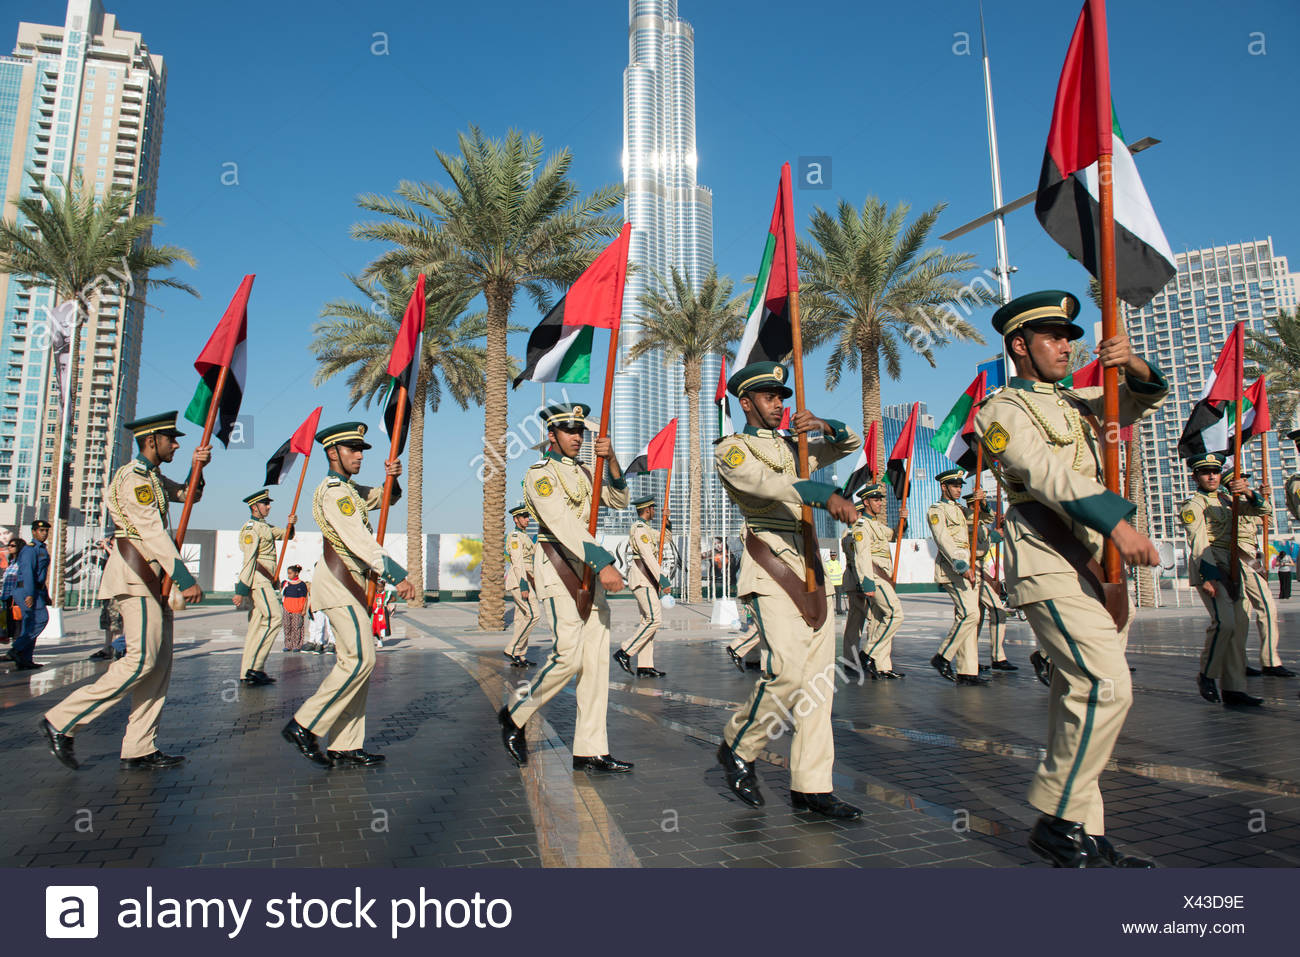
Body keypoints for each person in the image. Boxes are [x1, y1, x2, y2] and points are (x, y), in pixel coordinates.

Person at [974, 289, 1165, 868]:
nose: (1066, 346)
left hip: (1098, 565)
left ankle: (1084, 833)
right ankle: (1056, 816)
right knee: (1106, 685)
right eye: (1053, 337)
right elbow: (1044, 473)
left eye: (1069, 338)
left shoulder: (1083, 401)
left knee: (1076, 700)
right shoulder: (1001, 411)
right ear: (1019, 345)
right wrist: (1116, 521)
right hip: (1049, 558)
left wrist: (1133, 365)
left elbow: (1144, 397)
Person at [713, 361, 863, 818]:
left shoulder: (796, 445)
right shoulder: (733, 450)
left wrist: (824, 425)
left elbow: (852, 442)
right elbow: (768, 483)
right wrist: (822, 495)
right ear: (746, 403)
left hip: (811, 563)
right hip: (771, 562)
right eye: (769, 397)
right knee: (787, 673)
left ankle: (812, 788)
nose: (779, 404)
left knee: (818, 685)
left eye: (782, 397)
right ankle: (738, 744)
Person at [41, 411, 209, 770]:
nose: (176, 445)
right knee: (141, 661)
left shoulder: (153, 477)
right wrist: (184, 577)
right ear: (151, 441)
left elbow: (188, 496)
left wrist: (199, 468)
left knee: (159, 666)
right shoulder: (134, 478)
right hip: (137, 577)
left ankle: (140, 746)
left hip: (153, 579)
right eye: (171, 439)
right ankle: (61, 720)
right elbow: (151, 531)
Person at [498, 402, 633, 773]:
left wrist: (613, 461)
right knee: (569, 656)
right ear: (552, 435)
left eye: (581, 431)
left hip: (588, 569)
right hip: (559, 567)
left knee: (595, 665)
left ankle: (591, 749)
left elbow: (619, 500)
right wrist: (604, 562)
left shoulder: (587, 471)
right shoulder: (540, 474)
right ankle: (514, 714)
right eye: (569, 431)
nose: (577, 438)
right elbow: (561, 523)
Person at [281, 421, 417, 768]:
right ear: (332, 453)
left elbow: (387, 498)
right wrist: (397, 574)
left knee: (357, 664)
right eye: (353, 449)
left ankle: (345, 744)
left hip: (351, 585)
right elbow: (359, 539)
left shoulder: (350, 490)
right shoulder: (334, 493)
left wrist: (393, 478)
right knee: (360, 660)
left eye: (361, 450)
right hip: (339, 584)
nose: (359, 455)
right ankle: (304, 725)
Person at [1181, 454, 1265, 708]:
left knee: (1238, 629)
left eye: (1215, 472)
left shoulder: (1228, 500)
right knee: (1224, 623)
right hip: (1211, 566)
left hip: (1234, 567)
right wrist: (1209, 577)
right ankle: (1206, 674)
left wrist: (1247, 492)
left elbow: (1263, 510)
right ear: (1195, 477)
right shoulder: (1193, 506)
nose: (1211, 476)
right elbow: (1198, 543)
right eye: (1205, 472)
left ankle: (1234, 689)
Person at [1223, 468, 1294, 678]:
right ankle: (1269, 661)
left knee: (1243, 613)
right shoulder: (1227, 503)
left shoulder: (1245, 502)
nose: (1246, 483)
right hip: (1242, 556)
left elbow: (1266, 520)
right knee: (1265, 607)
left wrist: (1260, 497)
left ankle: (1241, 662)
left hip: (1251, 556)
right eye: (1243, 480)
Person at [928, 470, 987, 686]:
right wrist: (960, 564)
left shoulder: (960, 510)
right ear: (944, 487)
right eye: (954, 486)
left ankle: (967, 672)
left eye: (960, 486)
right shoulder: (937, 510)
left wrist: (982, 503)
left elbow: (984, 519)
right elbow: (942, 538)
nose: (959, 490)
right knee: (970, 614)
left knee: (970, 617)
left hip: (967, 566)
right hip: (954, 567)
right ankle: (942, 656)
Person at [233, 489, 294, 686]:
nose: (268, 507)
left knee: (256, 626)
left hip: (265, 579)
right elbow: (249, 560)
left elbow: (286, 535)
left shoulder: (265, 526)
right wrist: (241, 590)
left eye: (269, 503)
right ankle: (256, 667)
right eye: (265, 503)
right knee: (274, 618)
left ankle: (247, 672)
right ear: (254, 507)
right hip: (258, 580)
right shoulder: (251, 529)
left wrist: (291, 524)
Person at [851, 483, 906, 679]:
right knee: (895, 614)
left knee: (879, 620)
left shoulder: (877, 525)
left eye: (880, 500)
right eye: (876, 500)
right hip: (875, 577)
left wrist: (903, 521)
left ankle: (882, 666)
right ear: (866, 502)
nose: (880, 503)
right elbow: (862, 555)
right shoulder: (861, 527)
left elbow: (894, 535)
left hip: (885, 576)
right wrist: (867, 582)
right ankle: (868, 654)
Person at [615, 495, 672, 678]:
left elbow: (665, 539)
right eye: (653, 509)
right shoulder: (639, 530)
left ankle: (645, 666)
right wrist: (663, 579)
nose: (655, 511)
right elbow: (647, 556)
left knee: (647, 621)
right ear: (647, 510)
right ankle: (625, 651)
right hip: (642, 578)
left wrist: (667, 522)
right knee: (654, 619)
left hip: (646, 578)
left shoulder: (646, 528)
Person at [964, 490, 1017, 672]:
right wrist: (995, 534)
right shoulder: (967, 522)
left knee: (976, 618)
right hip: (973, 569)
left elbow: (988, 520)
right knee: (997, 610)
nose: (982, 510)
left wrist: (1001, 525)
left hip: (981, 568)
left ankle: (972, 659)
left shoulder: (980, 523)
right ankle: (997, 657)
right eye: (978, 506)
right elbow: (982, 535)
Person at [10, 519, 52, 670]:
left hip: (36, 590)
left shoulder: (41, 549)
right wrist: (29, 594)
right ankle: (16, 649)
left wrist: (45, 594)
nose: (44, 533)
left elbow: (41, 574)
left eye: (46, 531)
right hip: (27, 590)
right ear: (33, 532)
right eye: (41, 531)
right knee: (41, 619)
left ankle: (24, 659)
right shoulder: (30, 549)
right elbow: (28, 573)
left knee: (30, 625)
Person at [503, 503, 540, 668]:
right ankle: (512, 649)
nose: (527, 520)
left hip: (526, 579)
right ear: (515, 519)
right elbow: (518, 562)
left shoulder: (524, 536)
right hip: (519, 581)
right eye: (524, 517)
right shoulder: (515, 537)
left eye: (528, 517)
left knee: (521, 619)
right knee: (533, 615)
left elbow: (532, 554)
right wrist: (524, 585)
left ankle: (519, 656)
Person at [2, 536, 25, 649]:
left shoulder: (22, 562)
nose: (9, 548)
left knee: (17, 619)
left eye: (13, 546)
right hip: (7, 596)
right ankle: (12, 640)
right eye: (9, 545)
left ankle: (17, 643)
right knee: (9, 619)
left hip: (16, 596)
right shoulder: (11, 562)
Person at [281, 565, 308, 652]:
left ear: (296, 573)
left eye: (290, 573)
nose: (288, 575)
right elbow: (282, 594)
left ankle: (297, 645)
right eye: (288, 573)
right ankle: (288, 645)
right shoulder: (286, 583)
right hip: (287, 608)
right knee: (287, 627)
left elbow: (305, 597)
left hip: (297, 609)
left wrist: (304, 609)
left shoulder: (302, 584)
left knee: (297, 628)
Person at [825, 550, 844, 615]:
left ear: (836, 556)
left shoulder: (838, 563)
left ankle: (839, 610)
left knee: (839, 597)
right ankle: (829, 611)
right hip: (832, 583)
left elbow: (840, 572)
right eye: (832, 555)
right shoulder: (828, 563)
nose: (833, 556)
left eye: (834, 555)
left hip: (838, 583)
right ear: (830, 556)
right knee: (830, 598)